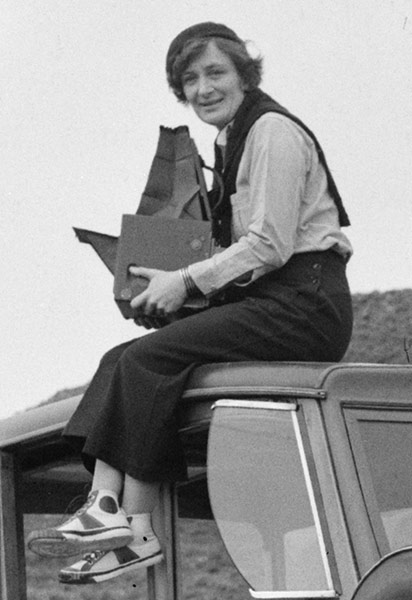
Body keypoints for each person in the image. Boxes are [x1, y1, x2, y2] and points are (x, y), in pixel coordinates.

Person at [27, 22, 353, 585]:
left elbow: (270, 244)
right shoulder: (229, 141)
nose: (202, 88)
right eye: (189, 79)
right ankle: (114, 514)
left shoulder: (271, 130)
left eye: (215, 73)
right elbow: (241, 250)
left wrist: (184, 281)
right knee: (122, 358)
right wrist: (165, 281)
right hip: (275, 296)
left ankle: (125, 521)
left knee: (149, 359)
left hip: (306, 301)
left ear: (244, 75)